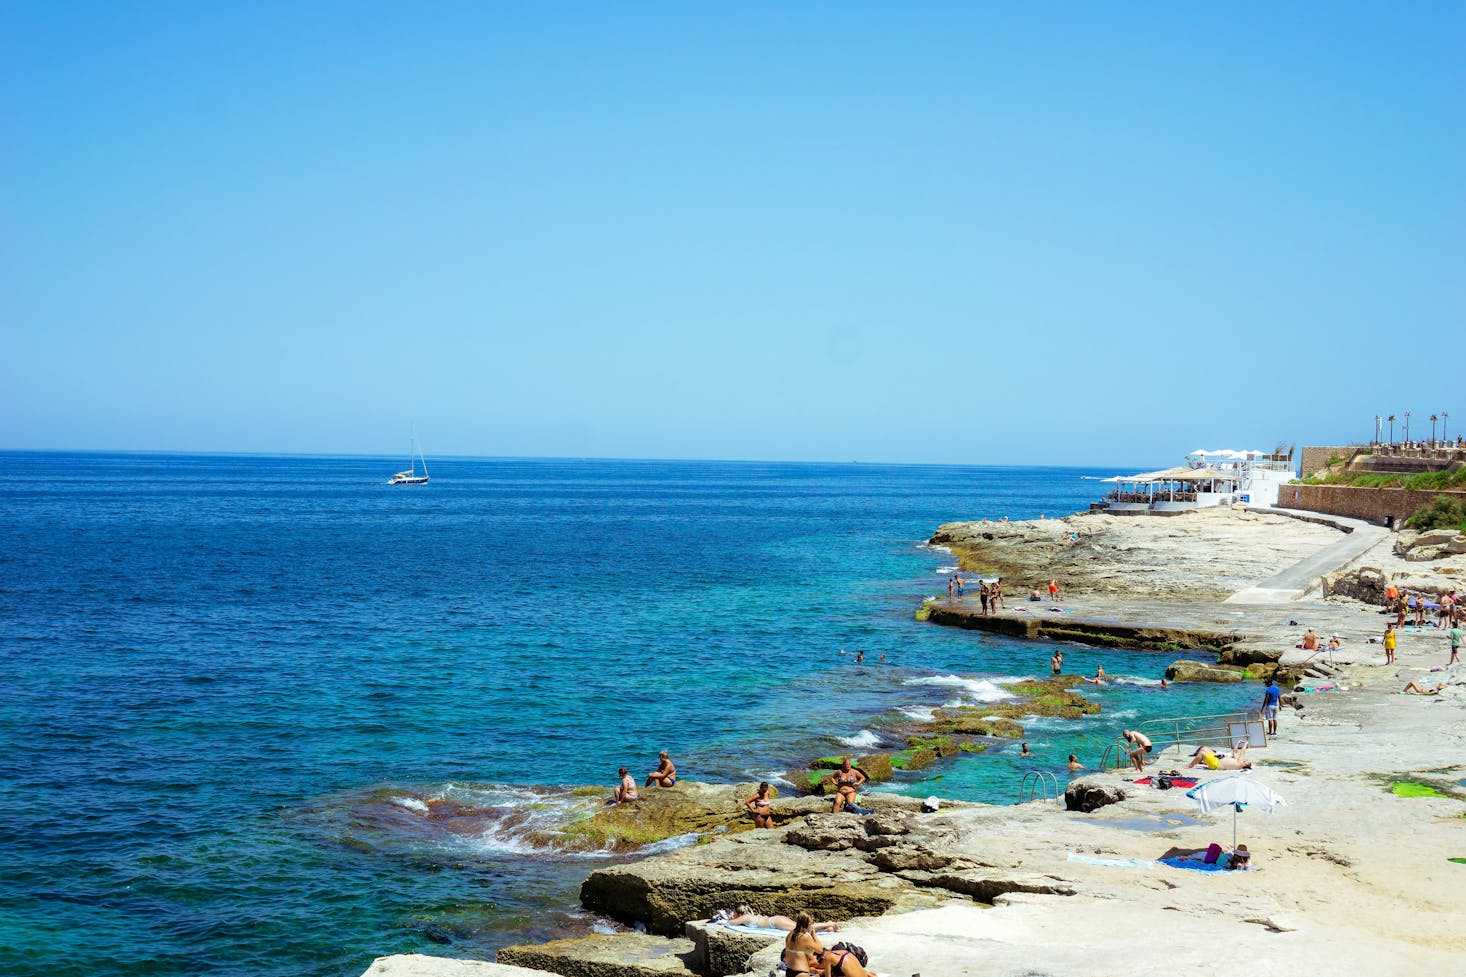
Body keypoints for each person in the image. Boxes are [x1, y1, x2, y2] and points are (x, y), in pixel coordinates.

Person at [724, 906, 839, 933]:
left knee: (801, 928)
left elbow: (730, 923)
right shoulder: (749, 916)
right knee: (802, 928)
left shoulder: (745, 917)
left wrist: (724, 919)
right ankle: (828, 929)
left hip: (774, 923)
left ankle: (829, 923)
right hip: (775, 920)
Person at [782, 912, 825, 977]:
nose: (812, 925)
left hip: (789, 971)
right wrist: (814, 935)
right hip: (801, 972)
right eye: (811, 923)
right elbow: (820, 950)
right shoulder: (804, 937)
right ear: (806, 923)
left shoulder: (789, 935)